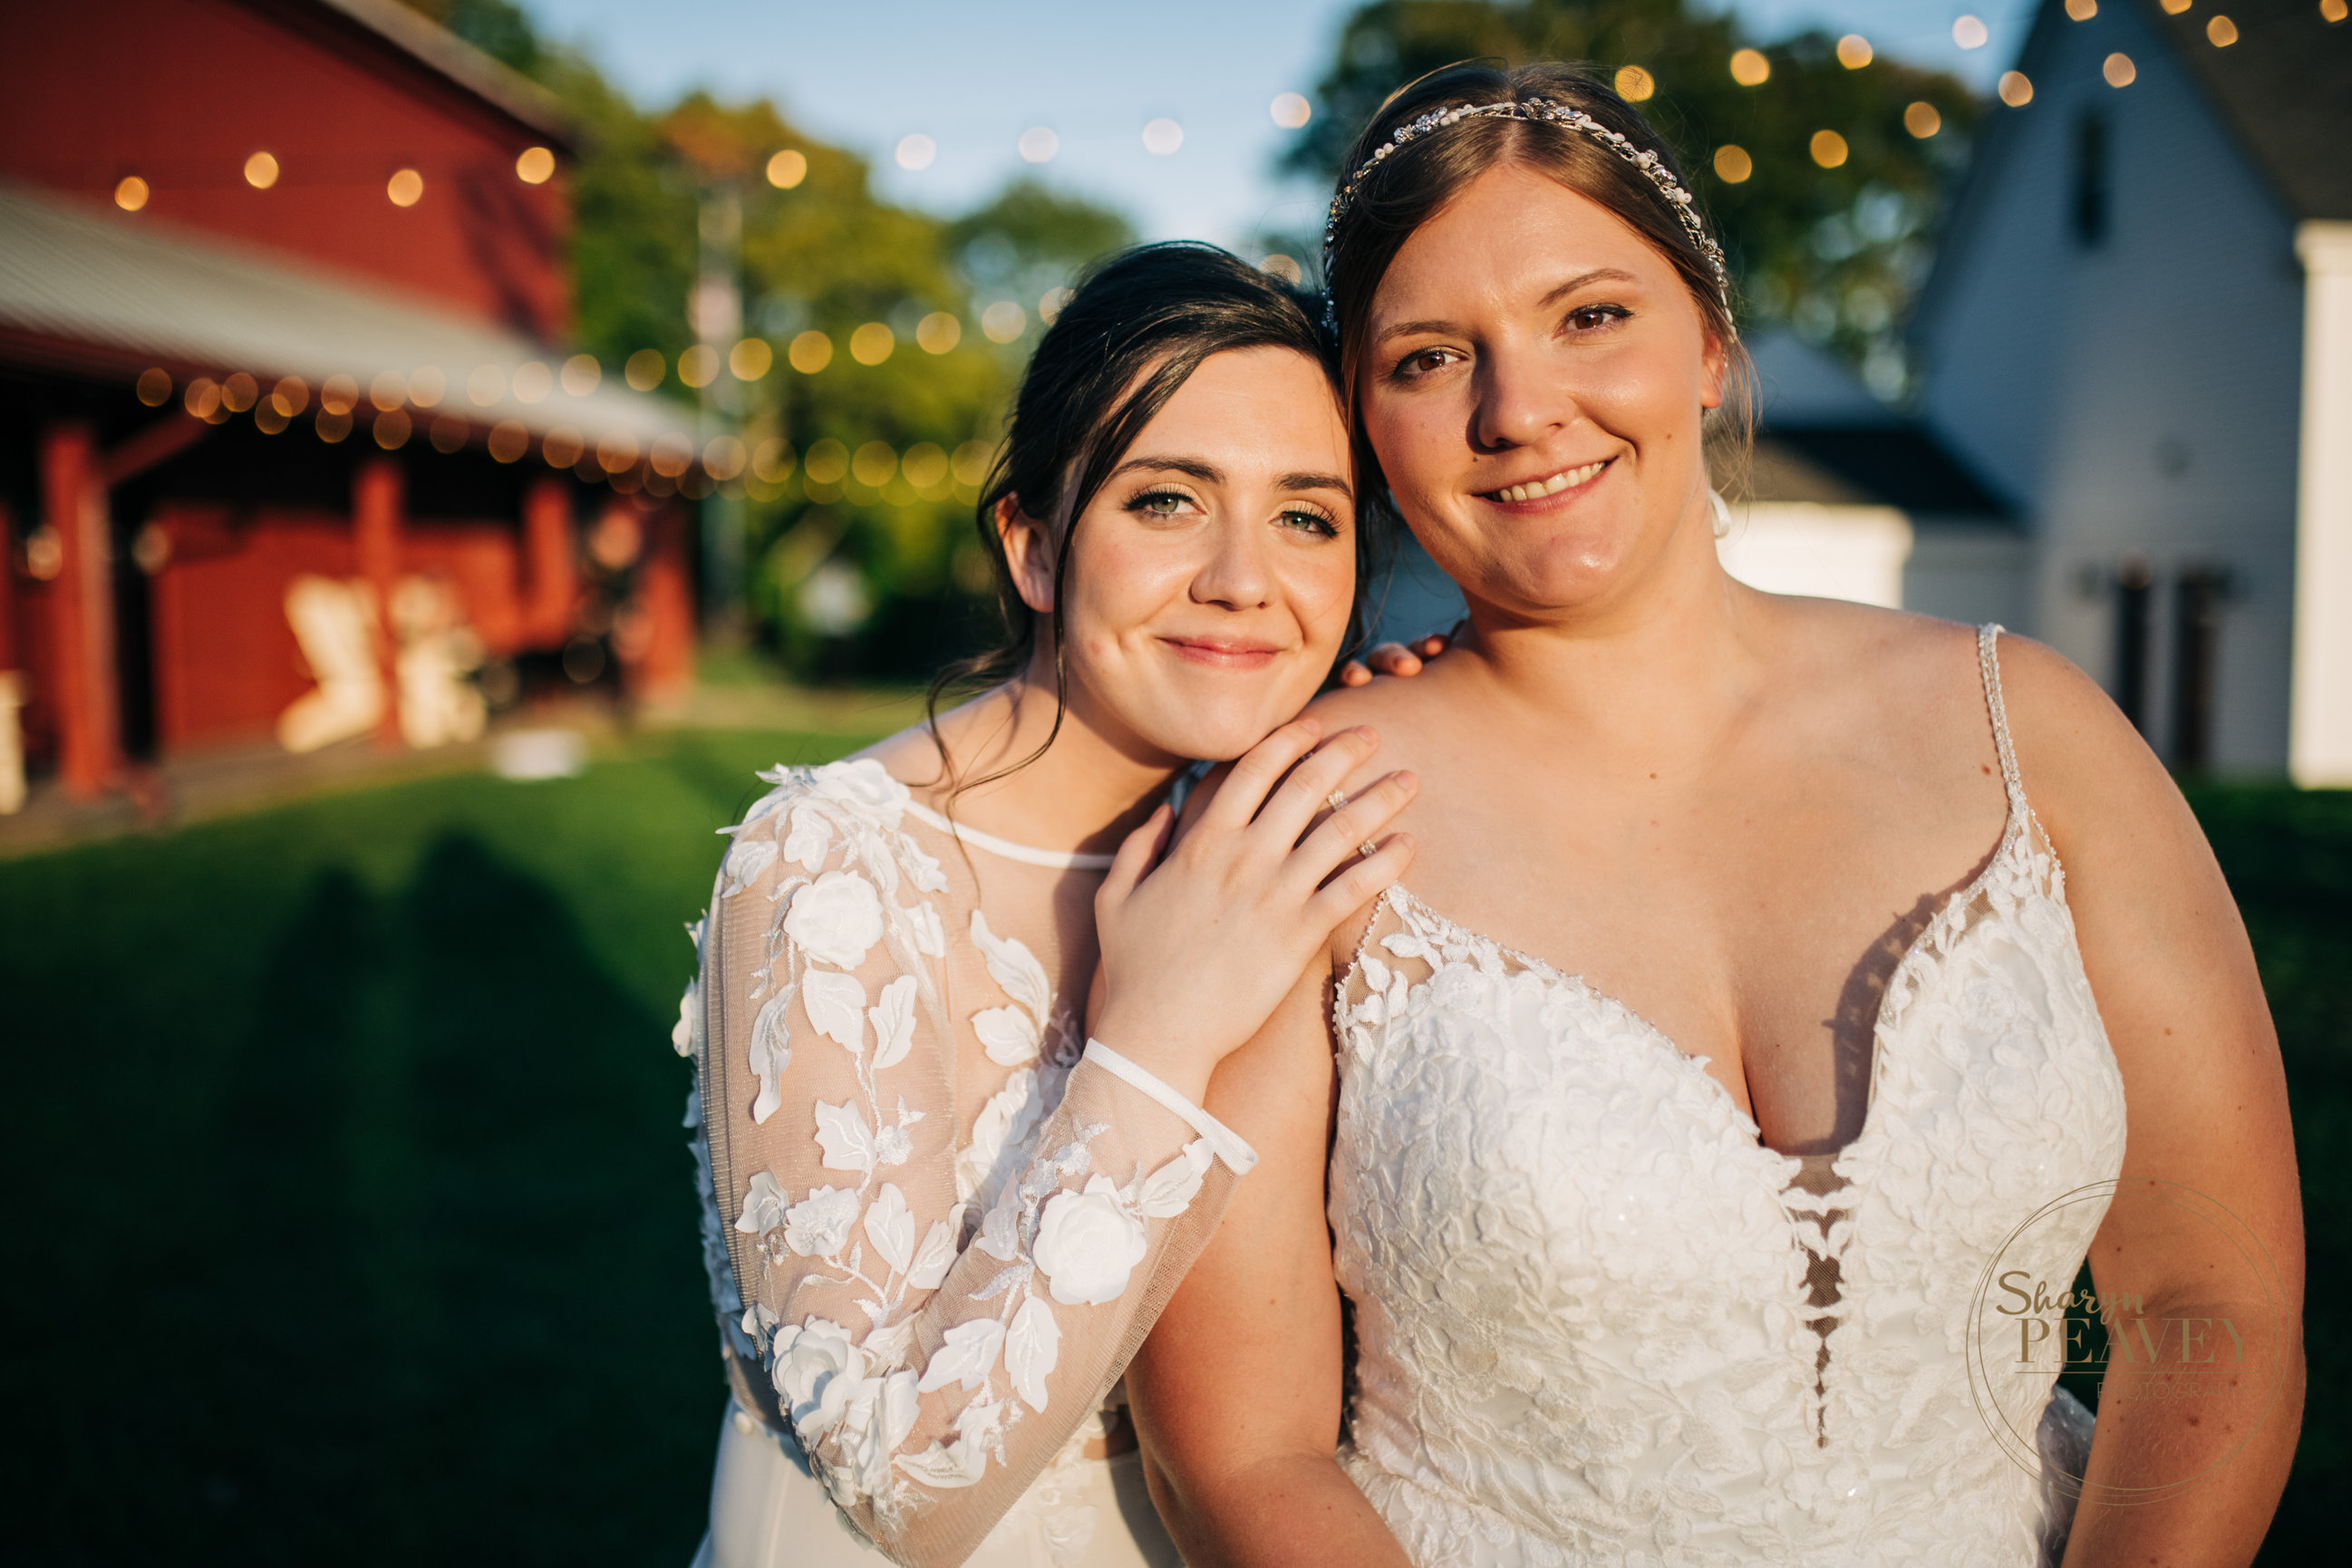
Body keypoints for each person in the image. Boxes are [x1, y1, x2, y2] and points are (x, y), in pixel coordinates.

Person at [1129, 63, 2305, 1567]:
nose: (1520, 407)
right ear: (1363, 417)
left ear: (1708, 343)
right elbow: (1241, 1455)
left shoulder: (2035, 733)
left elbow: (2215, 1305)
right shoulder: (1302, 818)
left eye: (1590, 316)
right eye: (1431, 357)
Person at [678, 242, 1423, 1568]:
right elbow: (906, 1482)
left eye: (1307, 516)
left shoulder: (1273, 829)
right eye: (1167, 501)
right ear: (1031, 543)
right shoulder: (832, 869)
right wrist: (1154, 1040)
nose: (1246, 579)